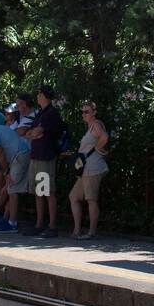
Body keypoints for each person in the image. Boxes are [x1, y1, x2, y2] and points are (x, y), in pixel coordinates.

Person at [24, 86, 62, 238]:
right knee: (38, 192)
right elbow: (29, 133)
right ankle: (39, 224)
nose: (37, 95)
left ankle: (52, 226)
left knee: (47, 192)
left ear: (45, 95)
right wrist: (33, 134)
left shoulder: (51, 113)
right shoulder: (41, 113)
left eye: (39, 93)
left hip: (45, 157)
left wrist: (34, 134)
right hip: (36, 156)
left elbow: (37, 132)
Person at [68, 101, 110, 239]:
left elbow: (104, 137)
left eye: (87, 111)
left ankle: (92, 232)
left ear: (94, 112)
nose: (84, 114)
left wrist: (98, 148)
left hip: (93, 167)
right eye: (83, 111)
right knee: (74, 196)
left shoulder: (96, 124)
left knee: (91, 199)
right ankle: (77, 230)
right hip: (86, 169)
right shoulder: (90, 127)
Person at [0, 103, 30, 233]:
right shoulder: (6, 127)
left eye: (10, 113)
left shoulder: (19, 123)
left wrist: (5, 170)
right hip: (15, 159)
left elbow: (0, 152)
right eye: (6, 113)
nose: (7, 115)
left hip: (23, 157)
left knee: (12, 188)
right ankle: (3, 217)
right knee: (8, 188)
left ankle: (10, 221)